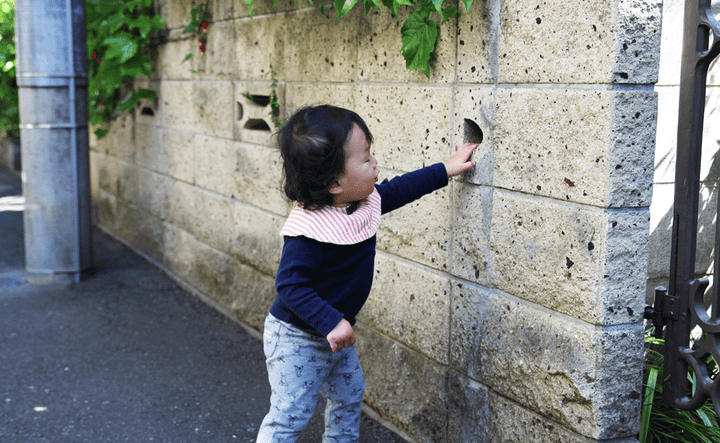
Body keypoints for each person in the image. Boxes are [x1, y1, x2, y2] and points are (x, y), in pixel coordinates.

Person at [256, 105, 478, 443]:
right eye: (365, 159)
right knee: (291, 415)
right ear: (334, 183)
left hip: (338, 336)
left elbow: (402, 188)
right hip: (297, 338)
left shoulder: (362, 201)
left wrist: (447, 168)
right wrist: (331, 321)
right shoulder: (308, 231)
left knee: (348, 397)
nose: (374, 163)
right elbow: (290, 285)